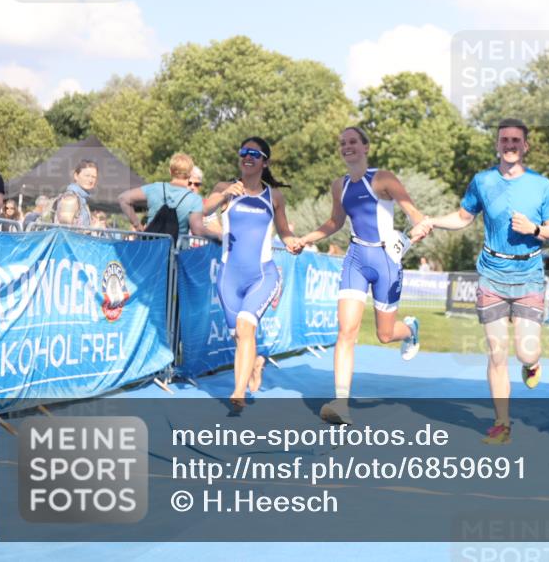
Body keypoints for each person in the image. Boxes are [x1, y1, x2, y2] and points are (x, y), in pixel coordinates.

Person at [413, 118, 549, 445]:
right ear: (497, 145)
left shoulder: (541, 185)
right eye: (504, 140)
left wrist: (534, 230)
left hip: (528, 277)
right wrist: (432, 222)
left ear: (525, 146)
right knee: (497, 353)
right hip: (492, 275)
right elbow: (463, 218)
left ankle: (532, 365)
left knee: (525, 352)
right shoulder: (482, 181)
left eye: (515, 141)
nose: (509, 145)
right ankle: (502, 424)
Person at [297, 126, 427, 425]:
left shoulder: (383, 178)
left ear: (366, 147)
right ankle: (342, 403)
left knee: (385, 335)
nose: (347, 147)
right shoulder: (339, 185)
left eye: (353, 142)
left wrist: (415, 230)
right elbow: (334, 222)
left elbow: (415, 215)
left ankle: (410, 330)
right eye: (342, 143)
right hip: (355, 259)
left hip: (386, 261)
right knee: (346, 331)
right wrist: (306, 239)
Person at [204, 137, 301, 409]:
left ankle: (238, 392)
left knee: (246, 328)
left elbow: (284, 232)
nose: (247, 157)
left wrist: (292, 242)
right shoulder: (226, 188)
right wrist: (224, 196)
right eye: (243, 152)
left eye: (254, 154)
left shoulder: (274, 196)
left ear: (264, 162)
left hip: (262, 275)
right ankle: (255, 363)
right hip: (228, 277)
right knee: (239, 335)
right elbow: (200, 211)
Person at [117, 153, 219, 242]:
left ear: (170, 171)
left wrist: (138, 227)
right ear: (190, 173)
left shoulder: (155, 188)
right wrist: (219, 237)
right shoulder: (194, 199)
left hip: (150, 250)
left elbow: (123, 198)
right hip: (177, 254)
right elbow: (197, 230)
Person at [65, 159, 97, 227]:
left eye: (94, 177)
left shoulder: (83, 199)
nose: (90, 180)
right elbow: (66, 230)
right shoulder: (71, 197)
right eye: (87, 176)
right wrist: (93, 228)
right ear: (76, 176)